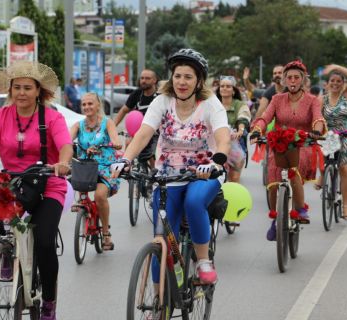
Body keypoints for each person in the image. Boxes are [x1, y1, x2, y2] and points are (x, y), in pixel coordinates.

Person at [112, 48, 231, 285]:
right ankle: (158, 304)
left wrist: (216, 161)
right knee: (162, 243)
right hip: (167, 175)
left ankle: (203, 260)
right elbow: (144, 134)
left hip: (203, 173)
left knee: (194, 202)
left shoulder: (210, 104)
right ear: (171, 78)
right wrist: (125, 159)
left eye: (188, 77)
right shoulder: (162, 101)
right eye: (178, 76)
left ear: (199, 81)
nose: (182, 82)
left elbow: (223, 138)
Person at [0, 61, 72, 320]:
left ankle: (48, 302)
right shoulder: (0, 117)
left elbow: (66, 146)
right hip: (13, 183)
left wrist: (63, 163)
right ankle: (7, 255)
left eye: (27, 88)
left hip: (49, 184)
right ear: (10, 91)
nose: (21, 93)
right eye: (17, 88)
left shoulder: (52, 117)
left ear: (39, 91)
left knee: (45, 242)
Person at [251, 60, 326, 240]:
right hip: (279, 145)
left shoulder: (312, 100)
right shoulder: (276, 99)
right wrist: (257, 129)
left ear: (303, 80)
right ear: (284, 80)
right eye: (289, 77)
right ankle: (275, 218)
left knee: (294, 172)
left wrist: (316, 130)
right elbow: (265, 117)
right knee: (273, 183)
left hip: (303, 144)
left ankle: (300, 208)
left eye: (296, 77)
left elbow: (318, 118)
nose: (292, 81)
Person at [70, 92, 121, 250]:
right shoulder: (78, 125)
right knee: (80, 185)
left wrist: (112, 144)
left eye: (90, 103)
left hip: (105, 167)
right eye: (84, 104)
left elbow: (116, 142)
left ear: (98, 105)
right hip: (85, 167)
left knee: (99, 196)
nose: (87, 107)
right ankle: (84, 208)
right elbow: (65, 142)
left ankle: (106, 233)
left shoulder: (107, 123)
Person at [314, 65, 347, 221]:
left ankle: (345, 207)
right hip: (329, 134)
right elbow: (318, 119)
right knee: (323, 159)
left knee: (344, 169)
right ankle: (323, 175)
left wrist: (336, 67)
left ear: (343, 84)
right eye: (332, 81)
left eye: (338, 81)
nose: (335, 83)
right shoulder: (322, 99)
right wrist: (317, 132)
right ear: (327, 83)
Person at [114, 69, 159, 167]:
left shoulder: (160, 96)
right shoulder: (137, 94)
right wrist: (112, 128)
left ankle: (155, 175)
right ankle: (126, 167)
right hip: (139, 131)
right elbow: (123, 111)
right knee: (128, 141)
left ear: (154, 80)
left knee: (152, 153)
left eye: (147, 78)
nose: (143, 81)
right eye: (142, 78)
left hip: (156, 131)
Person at [215, 75, 251, 184]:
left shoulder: (240, 105)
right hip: (216, 145)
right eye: (222, 86)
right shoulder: (213, 104)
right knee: (216, 179)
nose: (224, 88)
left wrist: (240, 130)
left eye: (228, 86)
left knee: (234, 179)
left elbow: (243, 118)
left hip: (236, 146)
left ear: (233, 90)